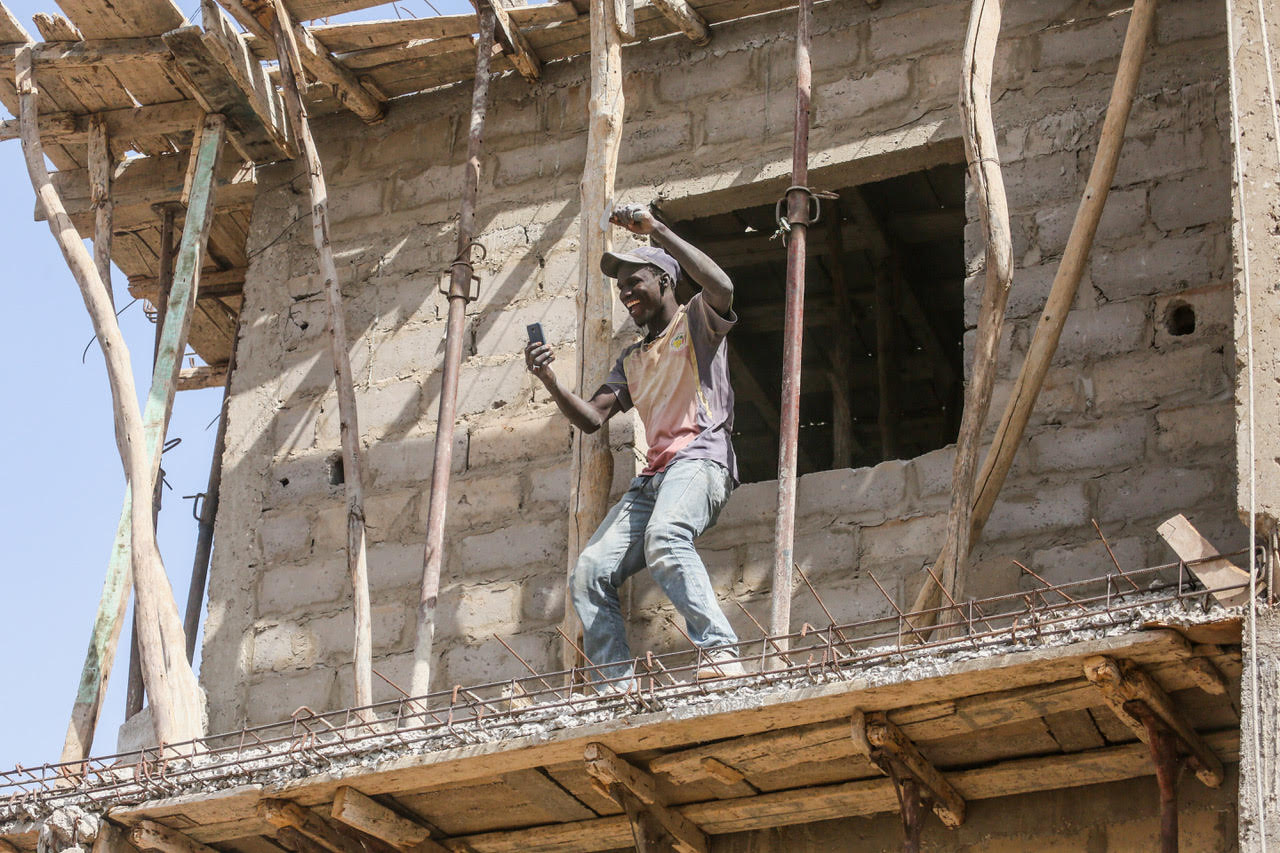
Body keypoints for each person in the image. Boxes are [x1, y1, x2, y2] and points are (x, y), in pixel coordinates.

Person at [524, 206, 743, 686]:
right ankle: (616, 688)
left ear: (665, 281)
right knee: (589, 572)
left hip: (701, 459)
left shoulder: (697, 323)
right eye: (620, 287)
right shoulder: (632, 359)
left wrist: (659, 231)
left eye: (635, 282)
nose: (625, 294)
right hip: (654, 478)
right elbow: (591, 419)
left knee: (665, 539)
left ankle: (722, 654)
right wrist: (551, 380)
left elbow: (722, 287)